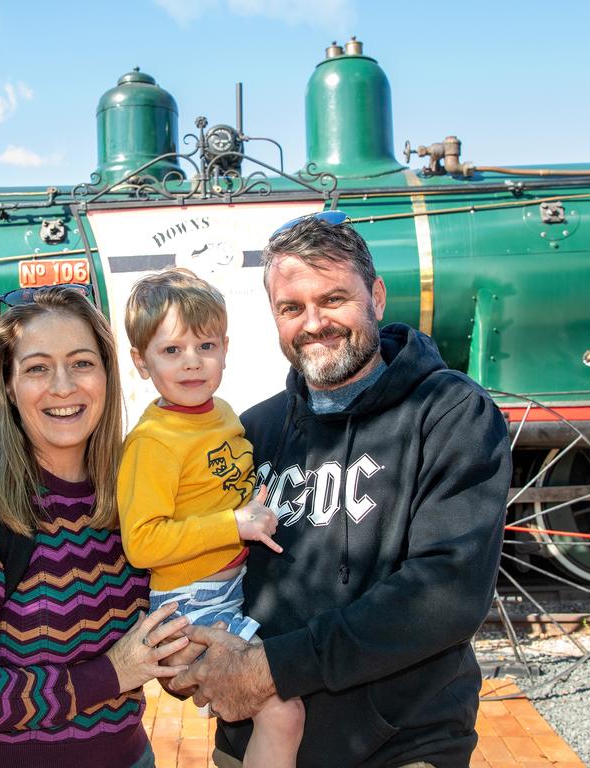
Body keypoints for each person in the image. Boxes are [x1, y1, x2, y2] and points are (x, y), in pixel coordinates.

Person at [171, 213, 511, 768]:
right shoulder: (254, 430)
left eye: (333, 299)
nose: (314, 323)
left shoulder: (451, 414)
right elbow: (200, 562)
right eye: (291, 308)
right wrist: (191, 653)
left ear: (375, 296)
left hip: (399, 744)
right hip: (254, 743)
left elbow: (446, 592)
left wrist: (273, 668)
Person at [0, 284, 191, 768]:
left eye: (82, 362)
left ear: (107, 375)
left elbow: (149, 635)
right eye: (38, 367)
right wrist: (112, 673)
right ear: (8, 384)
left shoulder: (129, 495)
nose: (63, 386)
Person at [117, 267, 305, 768]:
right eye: (172, 350)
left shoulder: (220, 411)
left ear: (225, 347)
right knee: (283, 710)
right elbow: (141, 542)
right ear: (141, 361)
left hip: (229, 588)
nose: (192, 363)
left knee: (285, 699)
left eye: (205, 346)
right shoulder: (154, 442)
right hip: (189, 604)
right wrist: (234, 525)